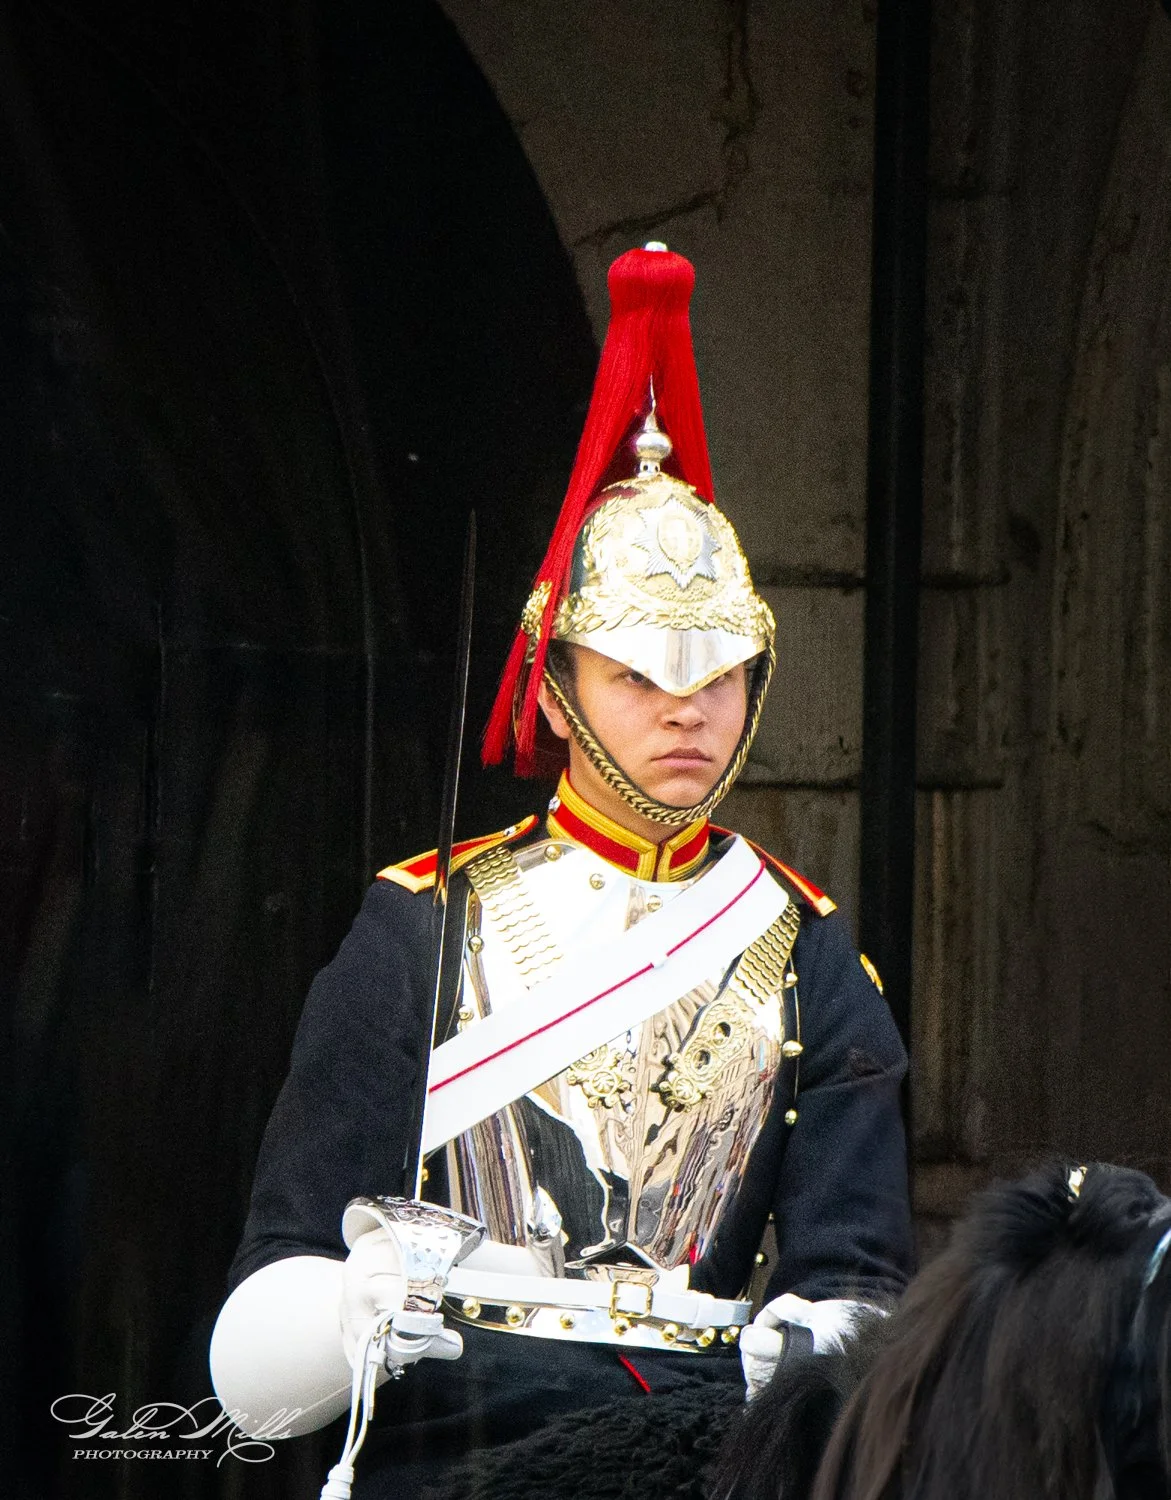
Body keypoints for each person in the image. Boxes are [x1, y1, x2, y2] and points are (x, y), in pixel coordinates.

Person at [209, 245, 914, 1496]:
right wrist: (349, 1309)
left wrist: (814, 1340)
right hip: (454, 1438)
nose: (685, 710)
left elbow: (858, 1280)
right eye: (639, 675)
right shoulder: (423, 926)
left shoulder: (805, 947)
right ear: (559, 686)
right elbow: (268, 1314)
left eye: (714, 678)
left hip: (705, 1441)